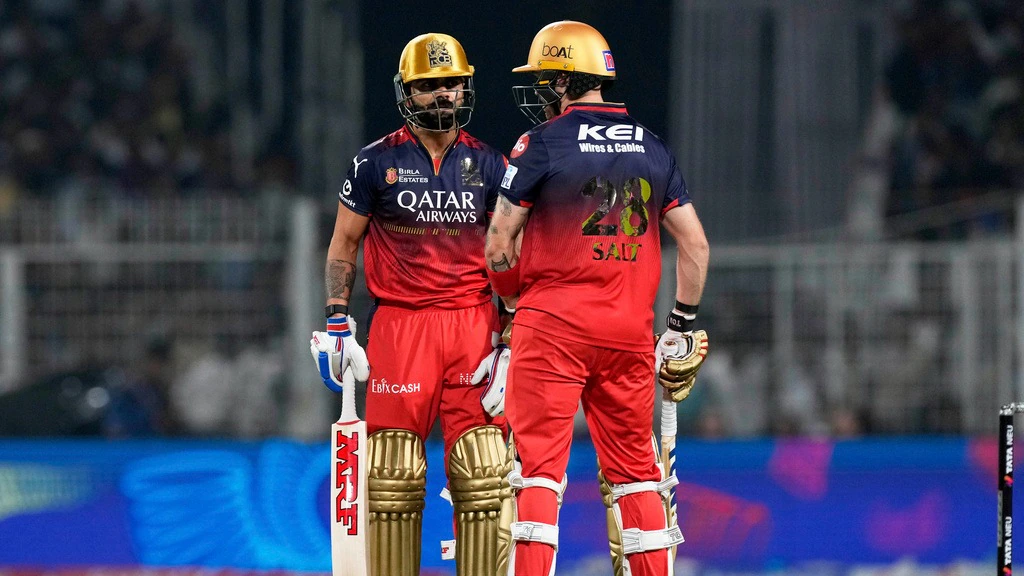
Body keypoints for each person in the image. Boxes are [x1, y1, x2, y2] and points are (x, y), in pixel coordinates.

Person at [485, 21, 711, 576]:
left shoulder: (540, 143)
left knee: (538, 474)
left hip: (551, 330)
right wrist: (679, 326)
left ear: (566, 80)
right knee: (638, 476)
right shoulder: (652, 147)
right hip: (628, 335)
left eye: (546, 79)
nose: (541, 91)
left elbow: (498, 246)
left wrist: (511, 304)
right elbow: (696, 246)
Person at [309, 33, 512, 576]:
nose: (443, 95)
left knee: (485, 473)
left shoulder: (491, 164)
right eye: (429, 85)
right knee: (391, 476)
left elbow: (513, 254)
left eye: (451, 84)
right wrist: (336, 321)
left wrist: (513, 334)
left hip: (474, 325)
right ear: (407, 91)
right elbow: (343, 243)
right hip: (401, 326)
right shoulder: (374, 162)